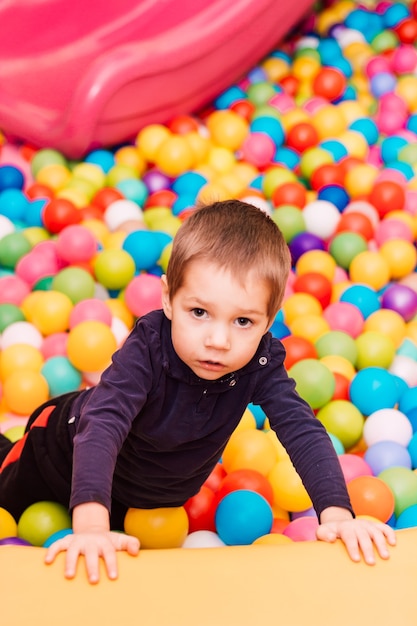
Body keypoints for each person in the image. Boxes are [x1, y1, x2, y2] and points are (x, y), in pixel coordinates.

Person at [0, 199, 396, 583]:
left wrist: (338, 515)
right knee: (7, 495)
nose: (218, 340)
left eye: (242, 320)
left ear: (268, 322)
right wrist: (89, 524)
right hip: (57, 452)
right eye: (199, 312)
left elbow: (302, 429)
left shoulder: (259, 362)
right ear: (168, 299)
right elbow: (103, 421)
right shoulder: (149, 347)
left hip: (140, 495)